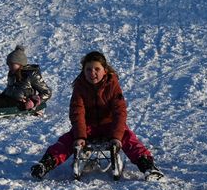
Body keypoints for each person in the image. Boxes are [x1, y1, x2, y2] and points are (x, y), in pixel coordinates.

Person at [31, 50, 162, 180]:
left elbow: (119, 111)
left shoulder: (112, 85)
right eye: (88, 69)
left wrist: (116, 136)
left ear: (104, 70)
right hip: (88, 127)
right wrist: (80, 136)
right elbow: (77, 112)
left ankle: (147, 166)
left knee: (127, 137)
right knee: (68, 139)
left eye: (96, 69)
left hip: (109, 125)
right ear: (83, 71)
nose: (92, 73)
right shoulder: (80, 87)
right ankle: (46, 163)